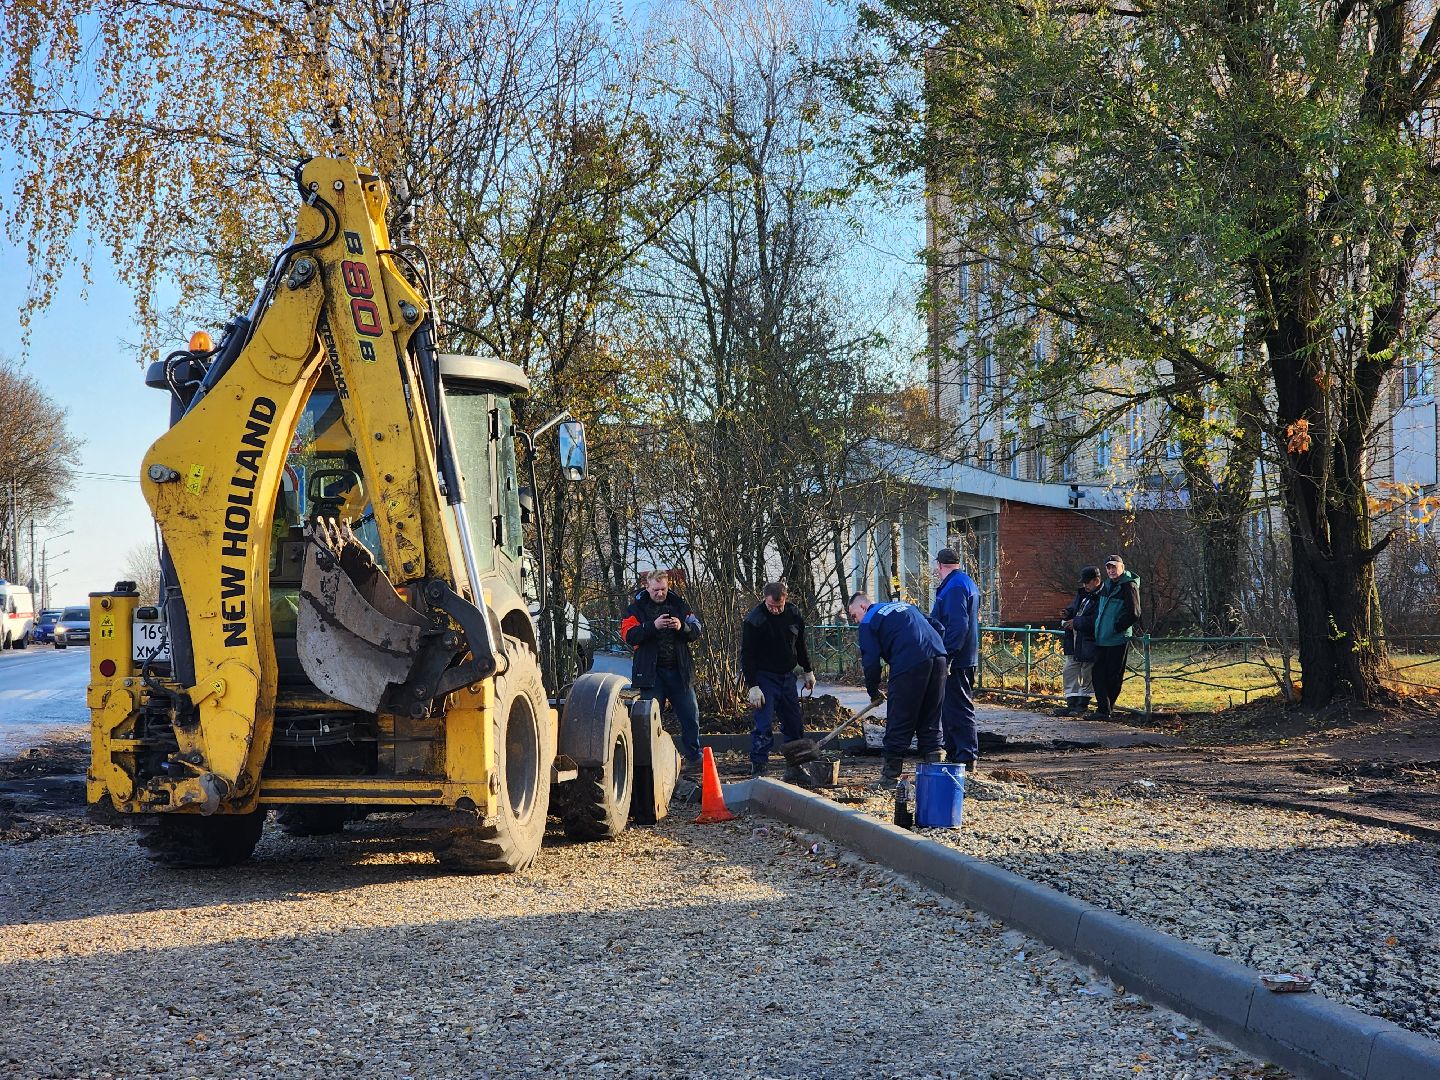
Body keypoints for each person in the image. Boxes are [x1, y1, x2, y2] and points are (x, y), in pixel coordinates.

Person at [847, 591, 947, 784]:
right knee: (931, 716)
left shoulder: (869, 620)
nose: (856, 621)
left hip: (909, 662)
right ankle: (936, 774)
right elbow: (938, 626)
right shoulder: (905, 605)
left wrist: (873, 691)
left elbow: (871, 662)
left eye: (854, 616)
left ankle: (890, 776)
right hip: (938, 656)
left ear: (863, 607)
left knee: (900, 716)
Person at [621, 570, 704, 778]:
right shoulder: (635, 609)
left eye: (663, 589)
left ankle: (694, 757)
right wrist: (653, 626)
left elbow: (696, 629)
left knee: (690, 715)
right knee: (649, 720)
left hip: (679, 671)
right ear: (647, 587)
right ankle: (651, 761)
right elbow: (629, 635)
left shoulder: (679, 605)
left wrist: (682, 627)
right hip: (651, 674)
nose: (660, 593)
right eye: (656, 590)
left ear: (668, 587)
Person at [741, 582, 817, 780]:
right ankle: (759, 768)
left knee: (794, 723)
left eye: (779, 606)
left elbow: (800, 644)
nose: (775, 610)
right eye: (771, 606)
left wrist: (808, 670)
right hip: (764, 677)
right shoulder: (754, 620)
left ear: (785, 599)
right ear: (764, 599)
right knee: (764, 724)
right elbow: (747, 655)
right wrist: (753, 686)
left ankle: (795, 768)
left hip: (787, 676)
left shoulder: (793, 614)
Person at [929, 547, 980, 769]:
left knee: (958, 706)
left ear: (939, 565)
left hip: (957, 658)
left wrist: (948, 655)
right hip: (965, 654)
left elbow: (957, 625)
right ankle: (956, 753)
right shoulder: (964, 582)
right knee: (951, 706)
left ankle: (965, 755)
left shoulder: (954, 587)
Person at [1092, 554, 1141, 718]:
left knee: (1113, 675)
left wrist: (1116, 627)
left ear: (1122, 567)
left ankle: (1105, 710)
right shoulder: (1106, 585)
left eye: (1114, 567)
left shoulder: (1128, 586)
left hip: (1117, 638)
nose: (1111, 570)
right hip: (1101, 637)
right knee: (1098, 674)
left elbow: (1134, 613)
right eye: (1108, 567)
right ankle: (1104, 709)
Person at [1056, 566, 1102, 716]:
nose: (1085, 585)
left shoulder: (1101, 596)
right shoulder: (1083, 594)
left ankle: (1082, 705)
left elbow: (1096, 619)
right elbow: (1074, 608)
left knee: (1087, 672)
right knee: (1070, 670)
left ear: (1096, 580)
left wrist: (1075, 622)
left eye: (1087, 582)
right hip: (1075, 639)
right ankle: (1072, 703)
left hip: (1089, 639)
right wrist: (1067, 613)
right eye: (1083, 582)